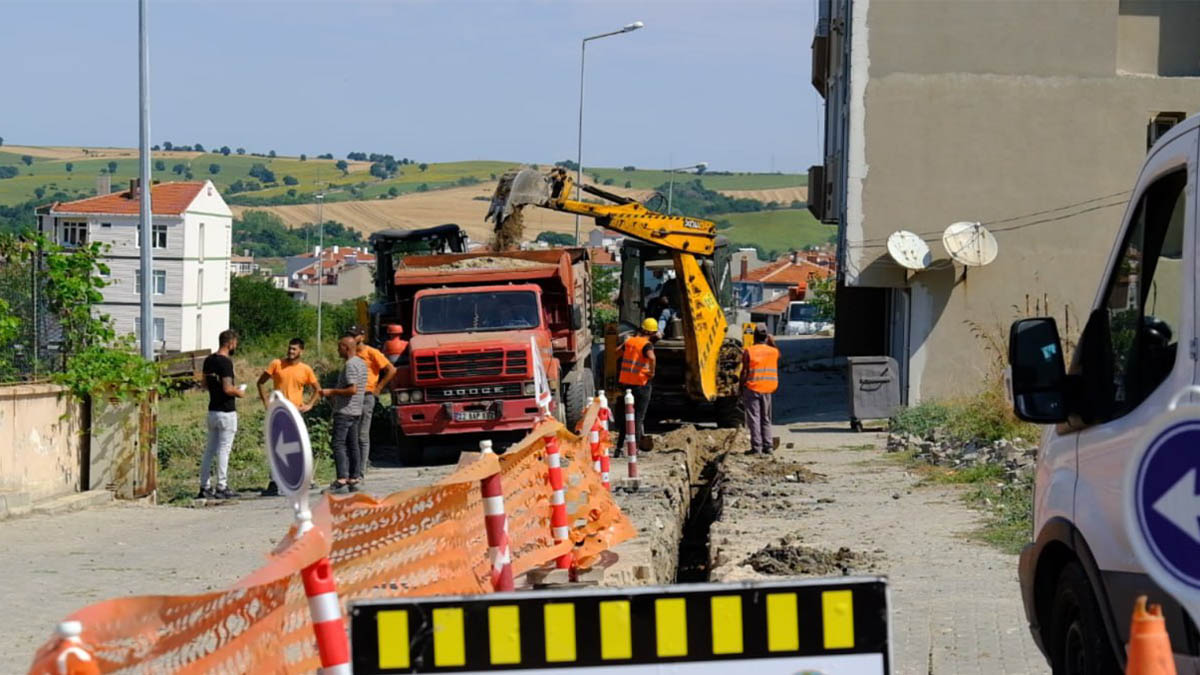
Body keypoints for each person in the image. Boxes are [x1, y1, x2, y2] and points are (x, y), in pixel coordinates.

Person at [256, 337, 321, 496]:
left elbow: (317, 389)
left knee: (299, 446)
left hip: (296, 413)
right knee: (276, 446)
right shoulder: (276, 364)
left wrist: (310, 404)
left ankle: (305, 478)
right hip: (279, 412)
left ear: (301, 351)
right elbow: (261, 382)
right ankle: (274, 481)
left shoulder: (305, 369)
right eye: (289, 348)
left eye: (294, 349)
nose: (291, 352)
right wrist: (266, 403)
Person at [199, 329, 244, 500]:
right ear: (230, 343)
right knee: (224, 450)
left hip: (212, 410)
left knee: (209, 450)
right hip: (226, 411)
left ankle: (204, 486)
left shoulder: (209, 360)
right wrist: (238, 392)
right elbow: (227, 388)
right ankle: (221, 485)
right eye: (235, 343)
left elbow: (204, 384)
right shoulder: (226, 363)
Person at [321, 334, 368, 494]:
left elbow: (352, 389)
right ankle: (354, 478)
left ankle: (342, 479)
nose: (337, 350)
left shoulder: (350, 365)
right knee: (352, 444)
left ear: (346, 348)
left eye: (339, 346)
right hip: (356, 410)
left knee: (338, 443)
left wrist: (331, 392)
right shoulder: (361, 363)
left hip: (345, 411)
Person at [348, 325, 397, 475]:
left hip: (367, 395)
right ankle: (353, 467)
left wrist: (379, 388)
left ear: (361, 337)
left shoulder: (371, 353)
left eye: (354, 335)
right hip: (351, 396)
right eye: (350, 335)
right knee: (352, 433)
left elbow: (391, 369)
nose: (352, 338)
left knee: (362, 434)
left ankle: (361, 471)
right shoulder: (349, 353)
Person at [617, 317, 657, 454]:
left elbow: (617, 351)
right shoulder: (647, 345)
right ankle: (635, 448)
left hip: (627, 383)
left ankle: (619, 447)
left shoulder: (630, 342)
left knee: (626, 416)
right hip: (641, 384)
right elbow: (651, 357)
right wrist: (651, 372)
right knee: (638, 417)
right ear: (652, 333)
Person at [742, 324, 780, 455]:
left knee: (754, 418)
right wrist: (771, 340)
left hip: (752, 388)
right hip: (768, 388)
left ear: (754, 336)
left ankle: (756, 448)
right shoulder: (774, 352)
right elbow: (775, 349)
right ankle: (768, 446)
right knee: (766, 418)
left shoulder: (749, 351)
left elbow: (744, 371)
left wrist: (741, 387)